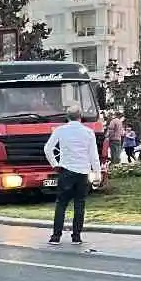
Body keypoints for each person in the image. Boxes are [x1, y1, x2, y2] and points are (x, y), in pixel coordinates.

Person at [44, 103, 102, 246]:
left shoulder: (60, 130)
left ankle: (56, 236)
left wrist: (55, 164)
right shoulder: (88, 132)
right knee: (79, 204)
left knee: (61, 203)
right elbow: (93, 155)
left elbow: (48, 148)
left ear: (67, 117)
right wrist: (97, 173)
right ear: (80, 117)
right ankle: (76, 236)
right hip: (83, 172)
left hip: (66, 171)